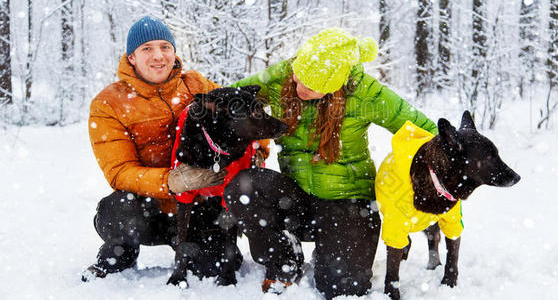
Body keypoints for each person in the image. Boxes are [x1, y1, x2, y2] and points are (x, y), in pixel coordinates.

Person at [224, 28, 438, 299]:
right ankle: (285, 258)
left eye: (310, 87)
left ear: (335, 84)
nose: (299, 88)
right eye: (297, 77)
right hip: (296, 198)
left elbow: (427, 133)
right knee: (244, 188)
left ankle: (336, 255)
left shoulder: (367, 93)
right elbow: (229, 100)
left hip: (348, 203)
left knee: (342, 289)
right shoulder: (281, 76)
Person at [82, 16, 231, 281]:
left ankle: (194, 246)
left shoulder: (195, 85)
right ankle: (121, 252)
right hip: (147, 212)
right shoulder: (108, 103)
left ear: (174, 52)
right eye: (147, 48)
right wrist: (172, 181)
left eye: (165, 47)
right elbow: (120, 171)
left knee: (214, 268)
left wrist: (258, 151)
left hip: (196, 208)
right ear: (131, 57)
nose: (158, 56)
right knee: (116, 209)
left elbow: (240, 114)